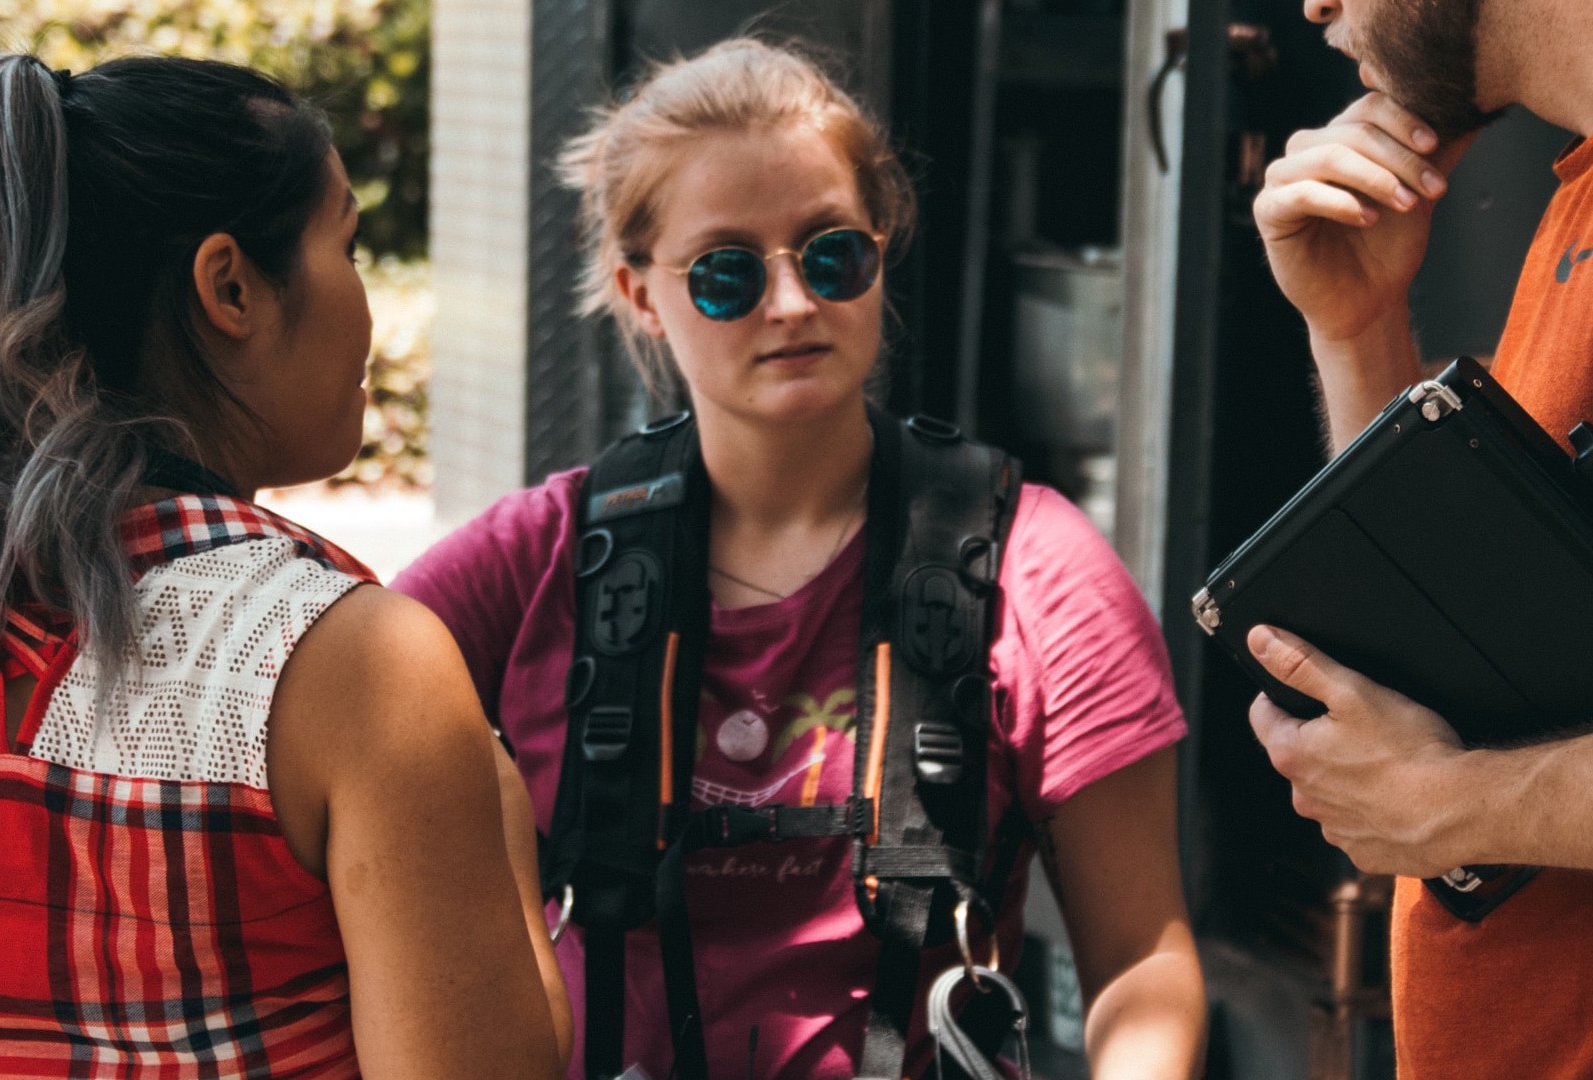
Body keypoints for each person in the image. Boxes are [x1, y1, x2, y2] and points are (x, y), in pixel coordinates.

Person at [392, 38, 1205, 1080]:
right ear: (641, 294)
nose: (791, 303)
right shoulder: (538, 558)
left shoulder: (1036, 568)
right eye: (727, 272)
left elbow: (1141, 957)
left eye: (831, 254)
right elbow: (320, 736)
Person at [0, 54, 569, 1078]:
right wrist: (499, 829)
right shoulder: (360, 668)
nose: (365, 301)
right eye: (349, 246)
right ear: (230, 286)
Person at [1247, 0, 1593, 1074]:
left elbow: (1453, 779)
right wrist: (1359, 328)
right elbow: (1470, 650)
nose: (1315, 8)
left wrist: (1458, 804)